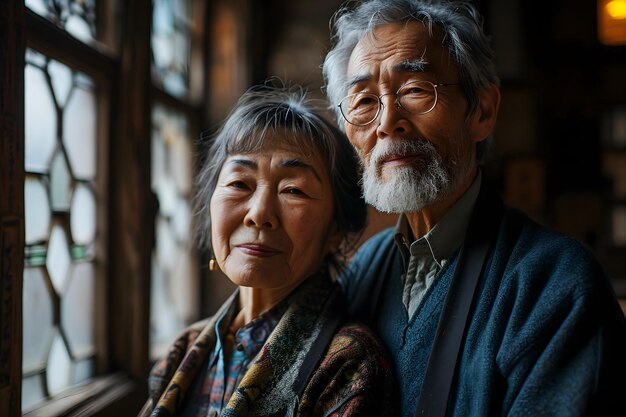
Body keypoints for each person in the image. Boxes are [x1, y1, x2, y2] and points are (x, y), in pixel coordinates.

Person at [322, 1, 626, 416]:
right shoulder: (363, 274)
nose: (387, 121)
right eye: (363, 101)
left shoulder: (556, 285)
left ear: (482, 111)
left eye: (414, 90)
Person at [138, 85, 396, 417]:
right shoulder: (184, 349)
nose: (259, 213)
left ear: (336, 230)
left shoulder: (347, 365)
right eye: (239, 184)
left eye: (294, 190)